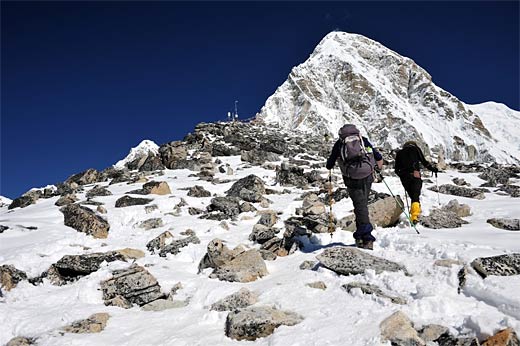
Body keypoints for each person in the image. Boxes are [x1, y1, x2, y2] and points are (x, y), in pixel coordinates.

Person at [326, 124, 383, 250]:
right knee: (361, 204)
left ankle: (367, 237)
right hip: (367, 175)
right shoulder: (363, 140)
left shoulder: (340, 143)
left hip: (352, 177)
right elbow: (377, 156)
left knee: (360, 205)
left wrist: (329, 164)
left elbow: (330, 163)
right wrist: (377, 167)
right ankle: (360, 236)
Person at [394, 141, 438, 224]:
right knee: (415, 196)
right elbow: (424, 162)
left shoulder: (399, 153)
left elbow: (396, 169)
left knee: (412, 196)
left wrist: (402, 175)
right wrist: (433, 169)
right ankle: (415, 216)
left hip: (404, 177)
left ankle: (415, 214)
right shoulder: (415, 149)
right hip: (415, 175)